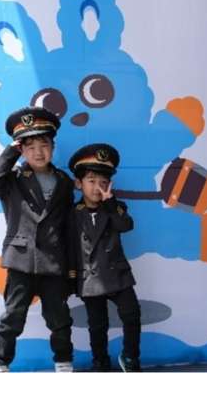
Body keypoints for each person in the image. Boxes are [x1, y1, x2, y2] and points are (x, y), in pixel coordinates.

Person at [0, 106, 74, 373]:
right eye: (30, 146)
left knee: (59, 318)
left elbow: (68, 225)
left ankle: (64, 362)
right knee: (13, 316)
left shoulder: (64, 182)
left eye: (44, 145)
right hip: (21, 260)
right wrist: (10, 152)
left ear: (53, 147)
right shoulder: (12, 179)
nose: (38, 152)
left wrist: (70, 268)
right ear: (21, 150)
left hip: (53, 262)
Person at [67, 143, 142, 372]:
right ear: (78, 183)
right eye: (91, 181)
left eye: (103, 182)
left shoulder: (115, 207)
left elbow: (125, 225)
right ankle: (100, 361)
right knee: (97, 324)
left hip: (117, 273)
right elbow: (69, 247)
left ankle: (130, 357)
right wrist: (71, 278)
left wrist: (110, 203)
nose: (97, 187)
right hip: (90, 276)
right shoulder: (71, 213)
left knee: (132, 314)